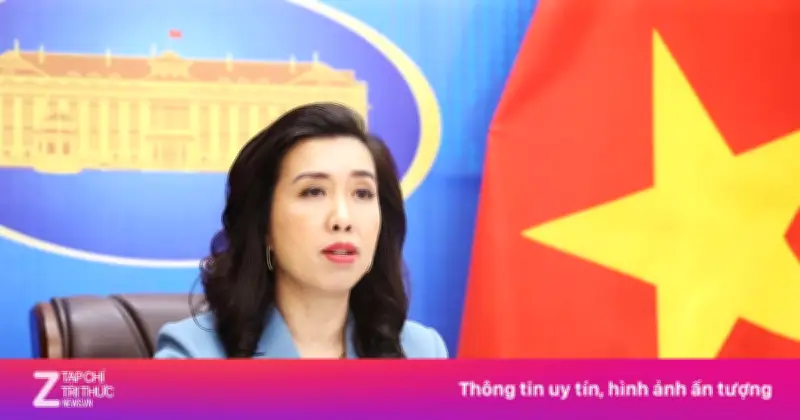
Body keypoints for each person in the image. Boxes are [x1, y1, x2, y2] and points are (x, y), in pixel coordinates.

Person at [153, 102, 448, 359]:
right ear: (264, 225)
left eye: (362, 193)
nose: (342, 219)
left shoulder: (421, 351)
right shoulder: (193, 354)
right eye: (313, 192)